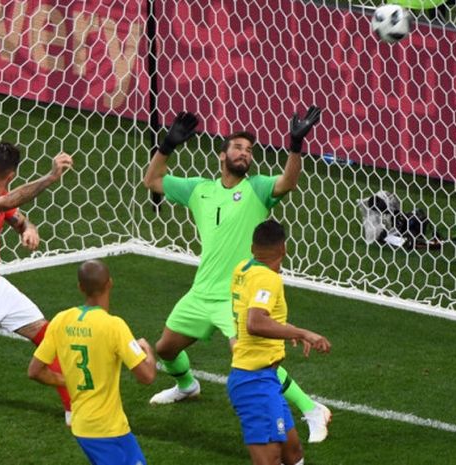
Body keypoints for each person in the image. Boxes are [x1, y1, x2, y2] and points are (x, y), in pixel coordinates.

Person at [142, 107, 332, 442]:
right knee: (166, 348)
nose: (244, 154)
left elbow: (288, 181)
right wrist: (166, 147)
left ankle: (312, 409)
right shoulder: (199, 189)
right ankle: (187, 385)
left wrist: (295, 147)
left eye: (249, 151)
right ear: (222, 155)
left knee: (252, 360)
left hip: (237, 296)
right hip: (201, 291)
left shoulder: (257, 189)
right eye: (238, 148)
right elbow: (152, 180)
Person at [28, 259, 157, 465]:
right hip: (104, 430)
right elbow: (147, 376)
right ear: (110, 283)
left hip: (89, 425)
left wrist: (69, 381)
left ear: (80, 288)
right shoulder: (114, 326)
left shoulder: (61, 320)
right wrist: (147, 350)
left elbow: (35, 371)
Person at [0, 141, 73, 423]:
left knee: (48, 336)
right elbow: (5, 204)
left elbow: (16, 216)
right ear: (11, 175)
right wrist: (50, 177)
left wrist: (28, 230)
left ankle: (74, 409)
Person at [228, 219, 331, 465]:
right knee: (270, 460)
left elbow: (254, 314)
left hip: (266, 380)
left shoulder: (242, 269)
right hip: (254, 383)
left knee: (293, 454)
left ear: (253, 248)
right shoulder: (269, 279)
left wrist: (290, 331)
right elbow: (255, 322)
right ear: (283, 249)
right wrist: (304, 333)